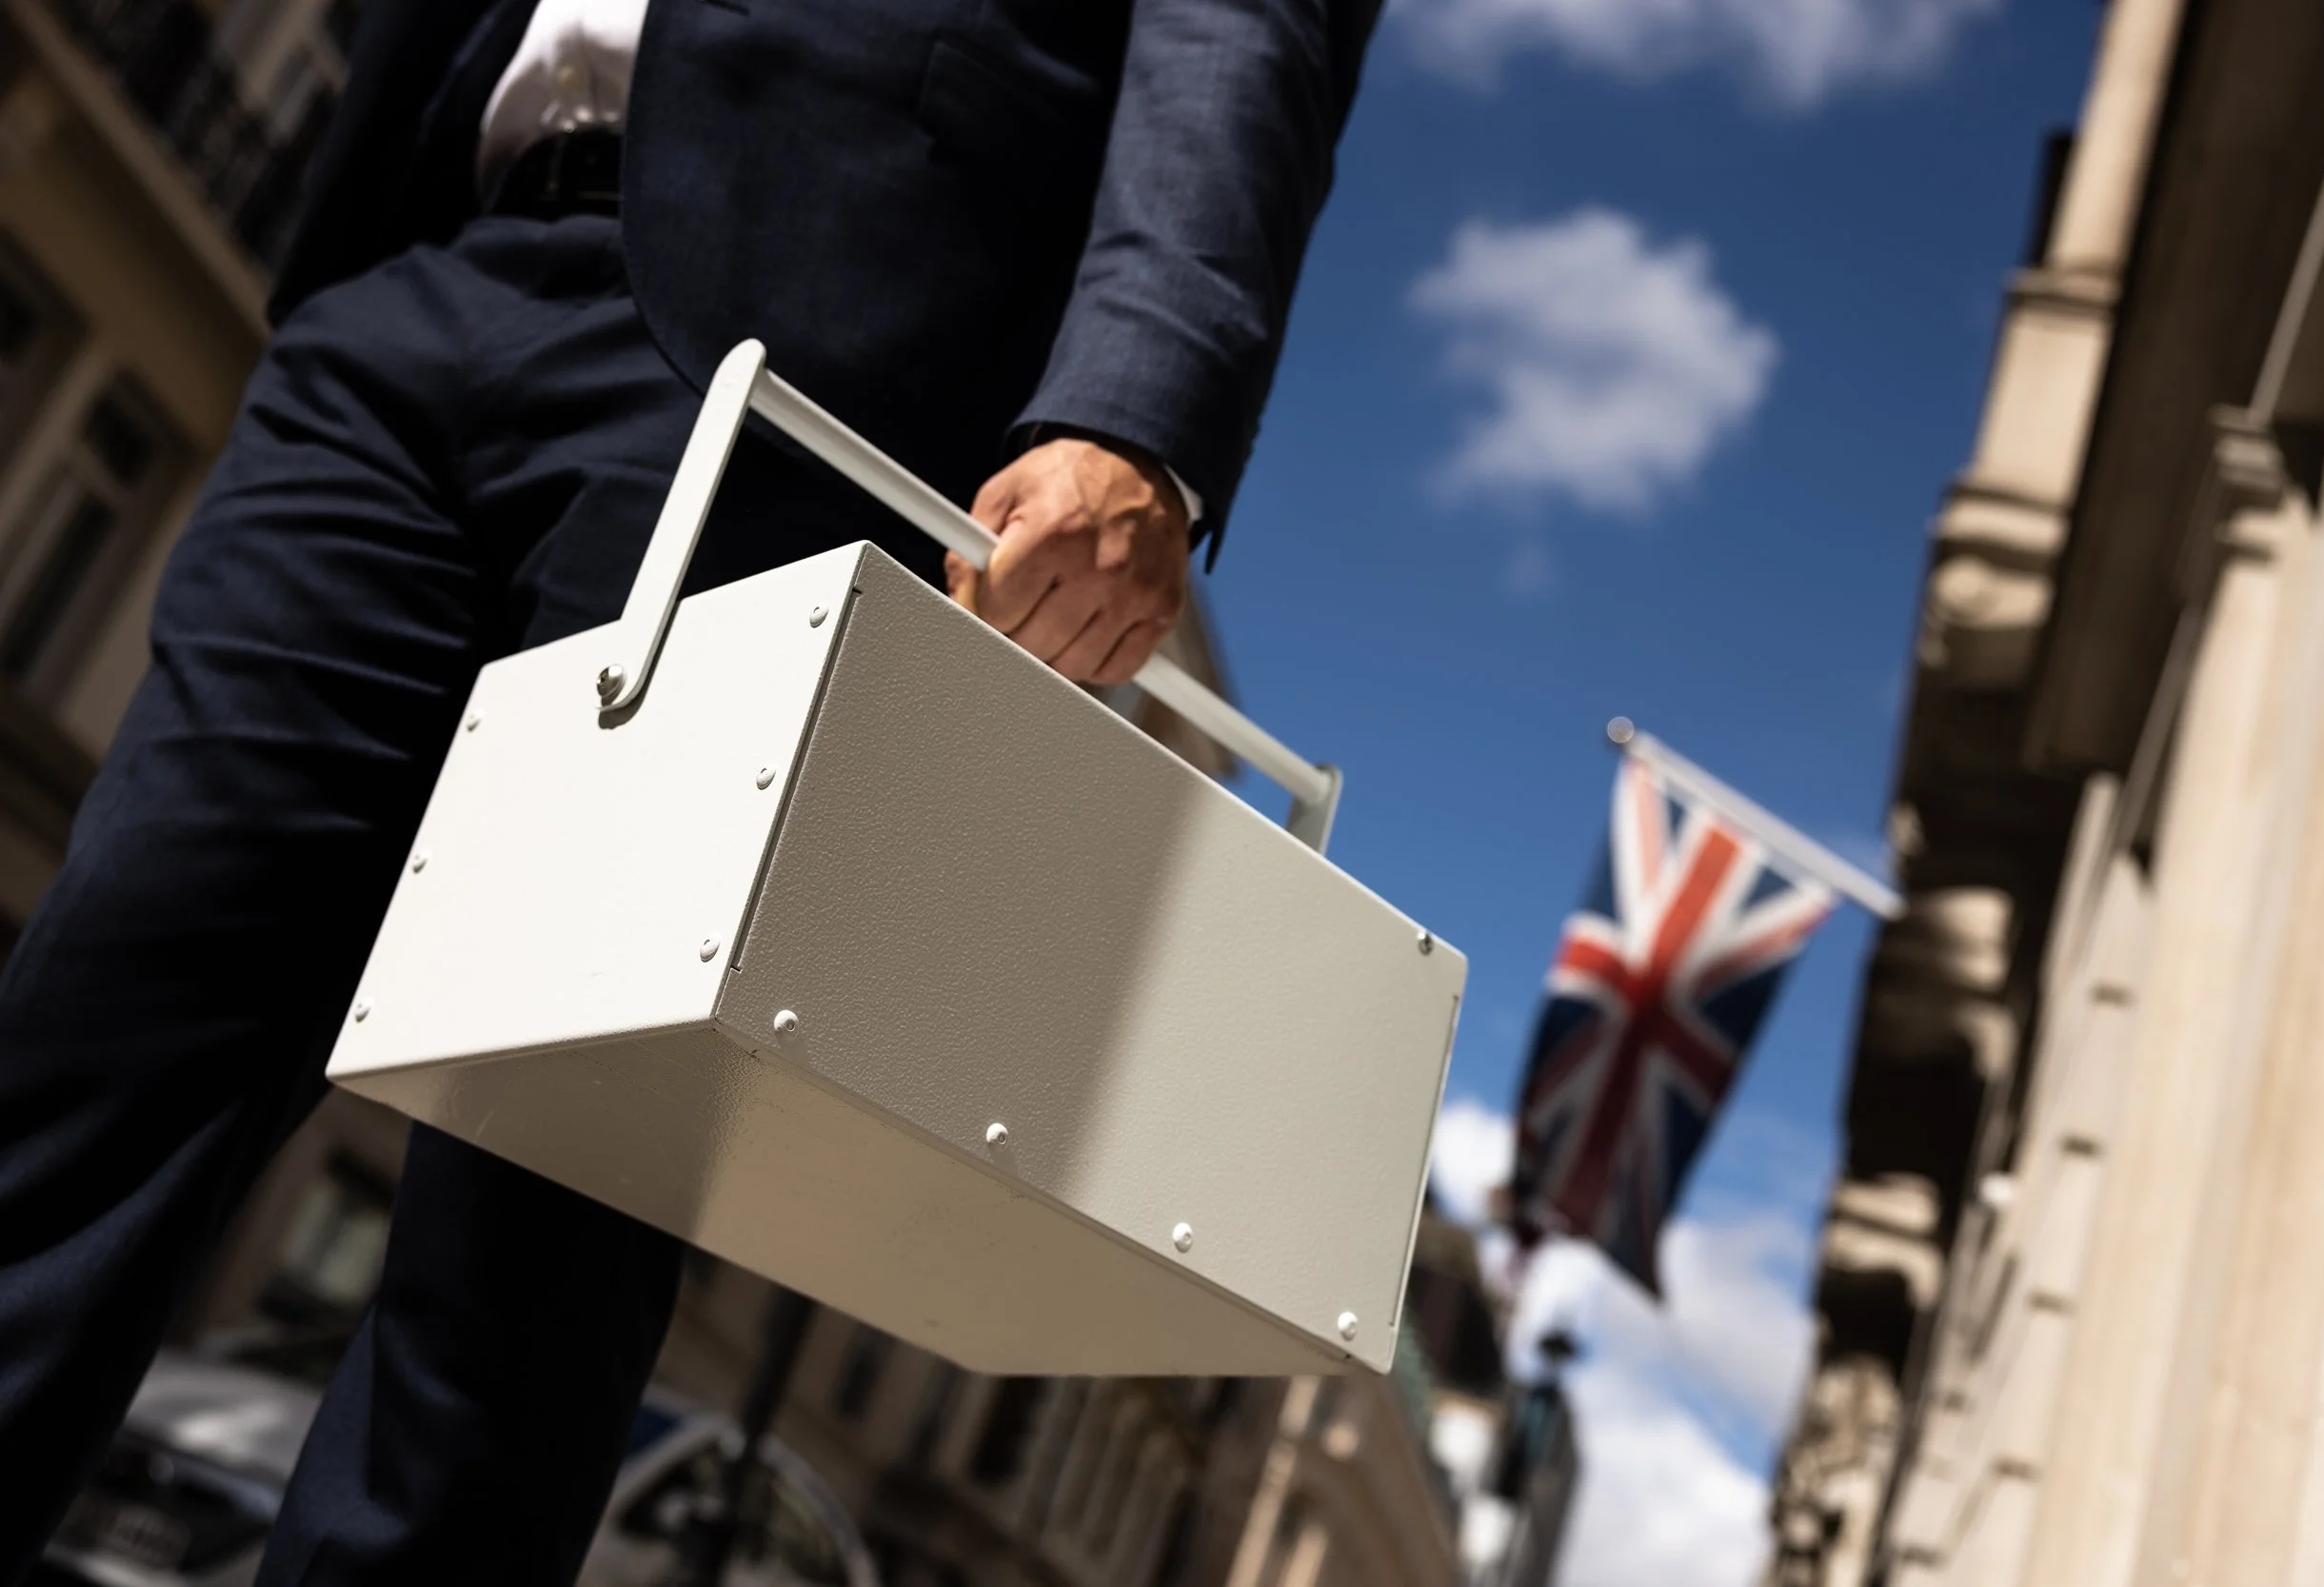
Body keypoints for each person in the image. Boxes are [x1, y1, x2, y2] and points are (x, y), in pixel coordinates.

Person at [0, 0, 1380, 1578]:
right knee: (90, 1034)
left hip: (794, 345)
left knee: (529, 1234)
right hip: (420, 270)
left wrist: (1144, 399)